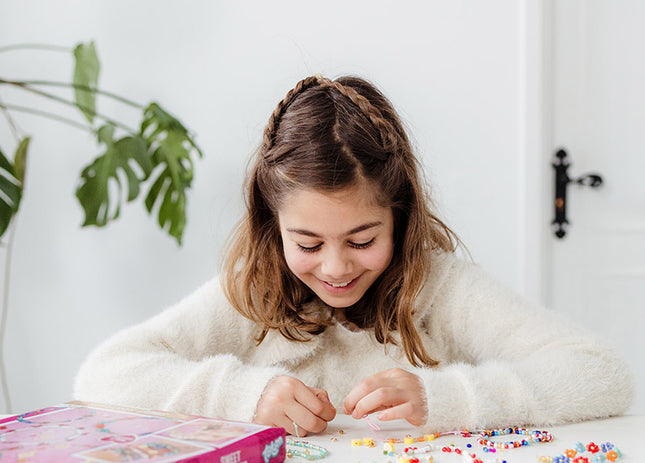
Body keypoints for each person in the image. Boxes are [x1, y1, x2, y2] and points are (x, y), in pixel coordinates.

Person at [73, 75, 634, 436]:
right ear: (273, 227)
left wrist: (447, 398)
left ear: (401, 216)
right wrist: (242, 395)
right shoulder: (255, 291)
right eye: (308, 244)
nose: (336, 268)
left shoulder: (439, 288)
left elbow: (600, 372)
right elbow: (104, 374)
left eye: (363, 241)